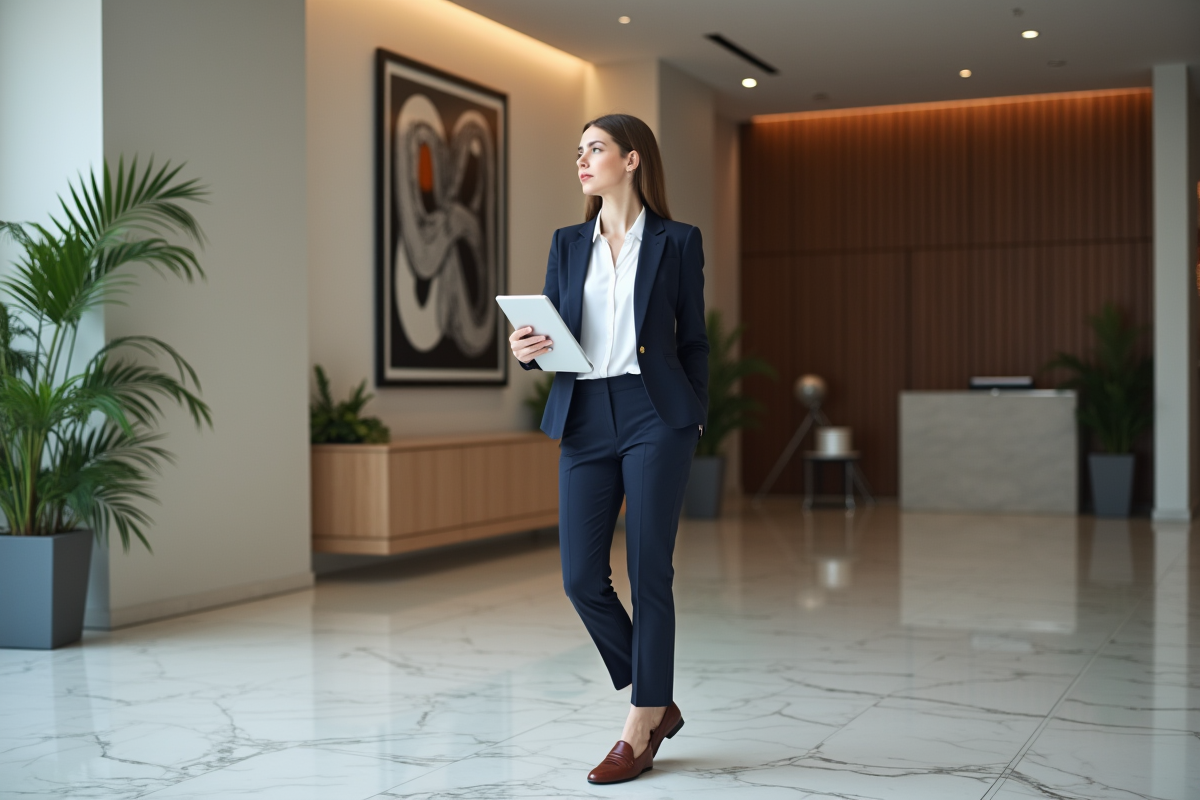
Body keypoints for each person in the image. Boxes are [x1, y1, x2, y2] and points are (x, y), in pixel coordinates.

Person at [508, 113, 708, 785]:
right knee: (580, 578)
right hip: (585, 414)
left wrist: (695, 416)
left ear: (631, 159)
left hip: (657, 414)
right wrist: (527, 349)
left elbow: (694, 340)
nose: (582, 160)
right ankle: (658, 696)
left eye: (595, 148)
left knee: (650, 571)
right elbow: (552, 333)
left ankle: (641, 722)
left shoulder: (678, 241)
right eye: (579, 151)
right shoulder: (567, 243)